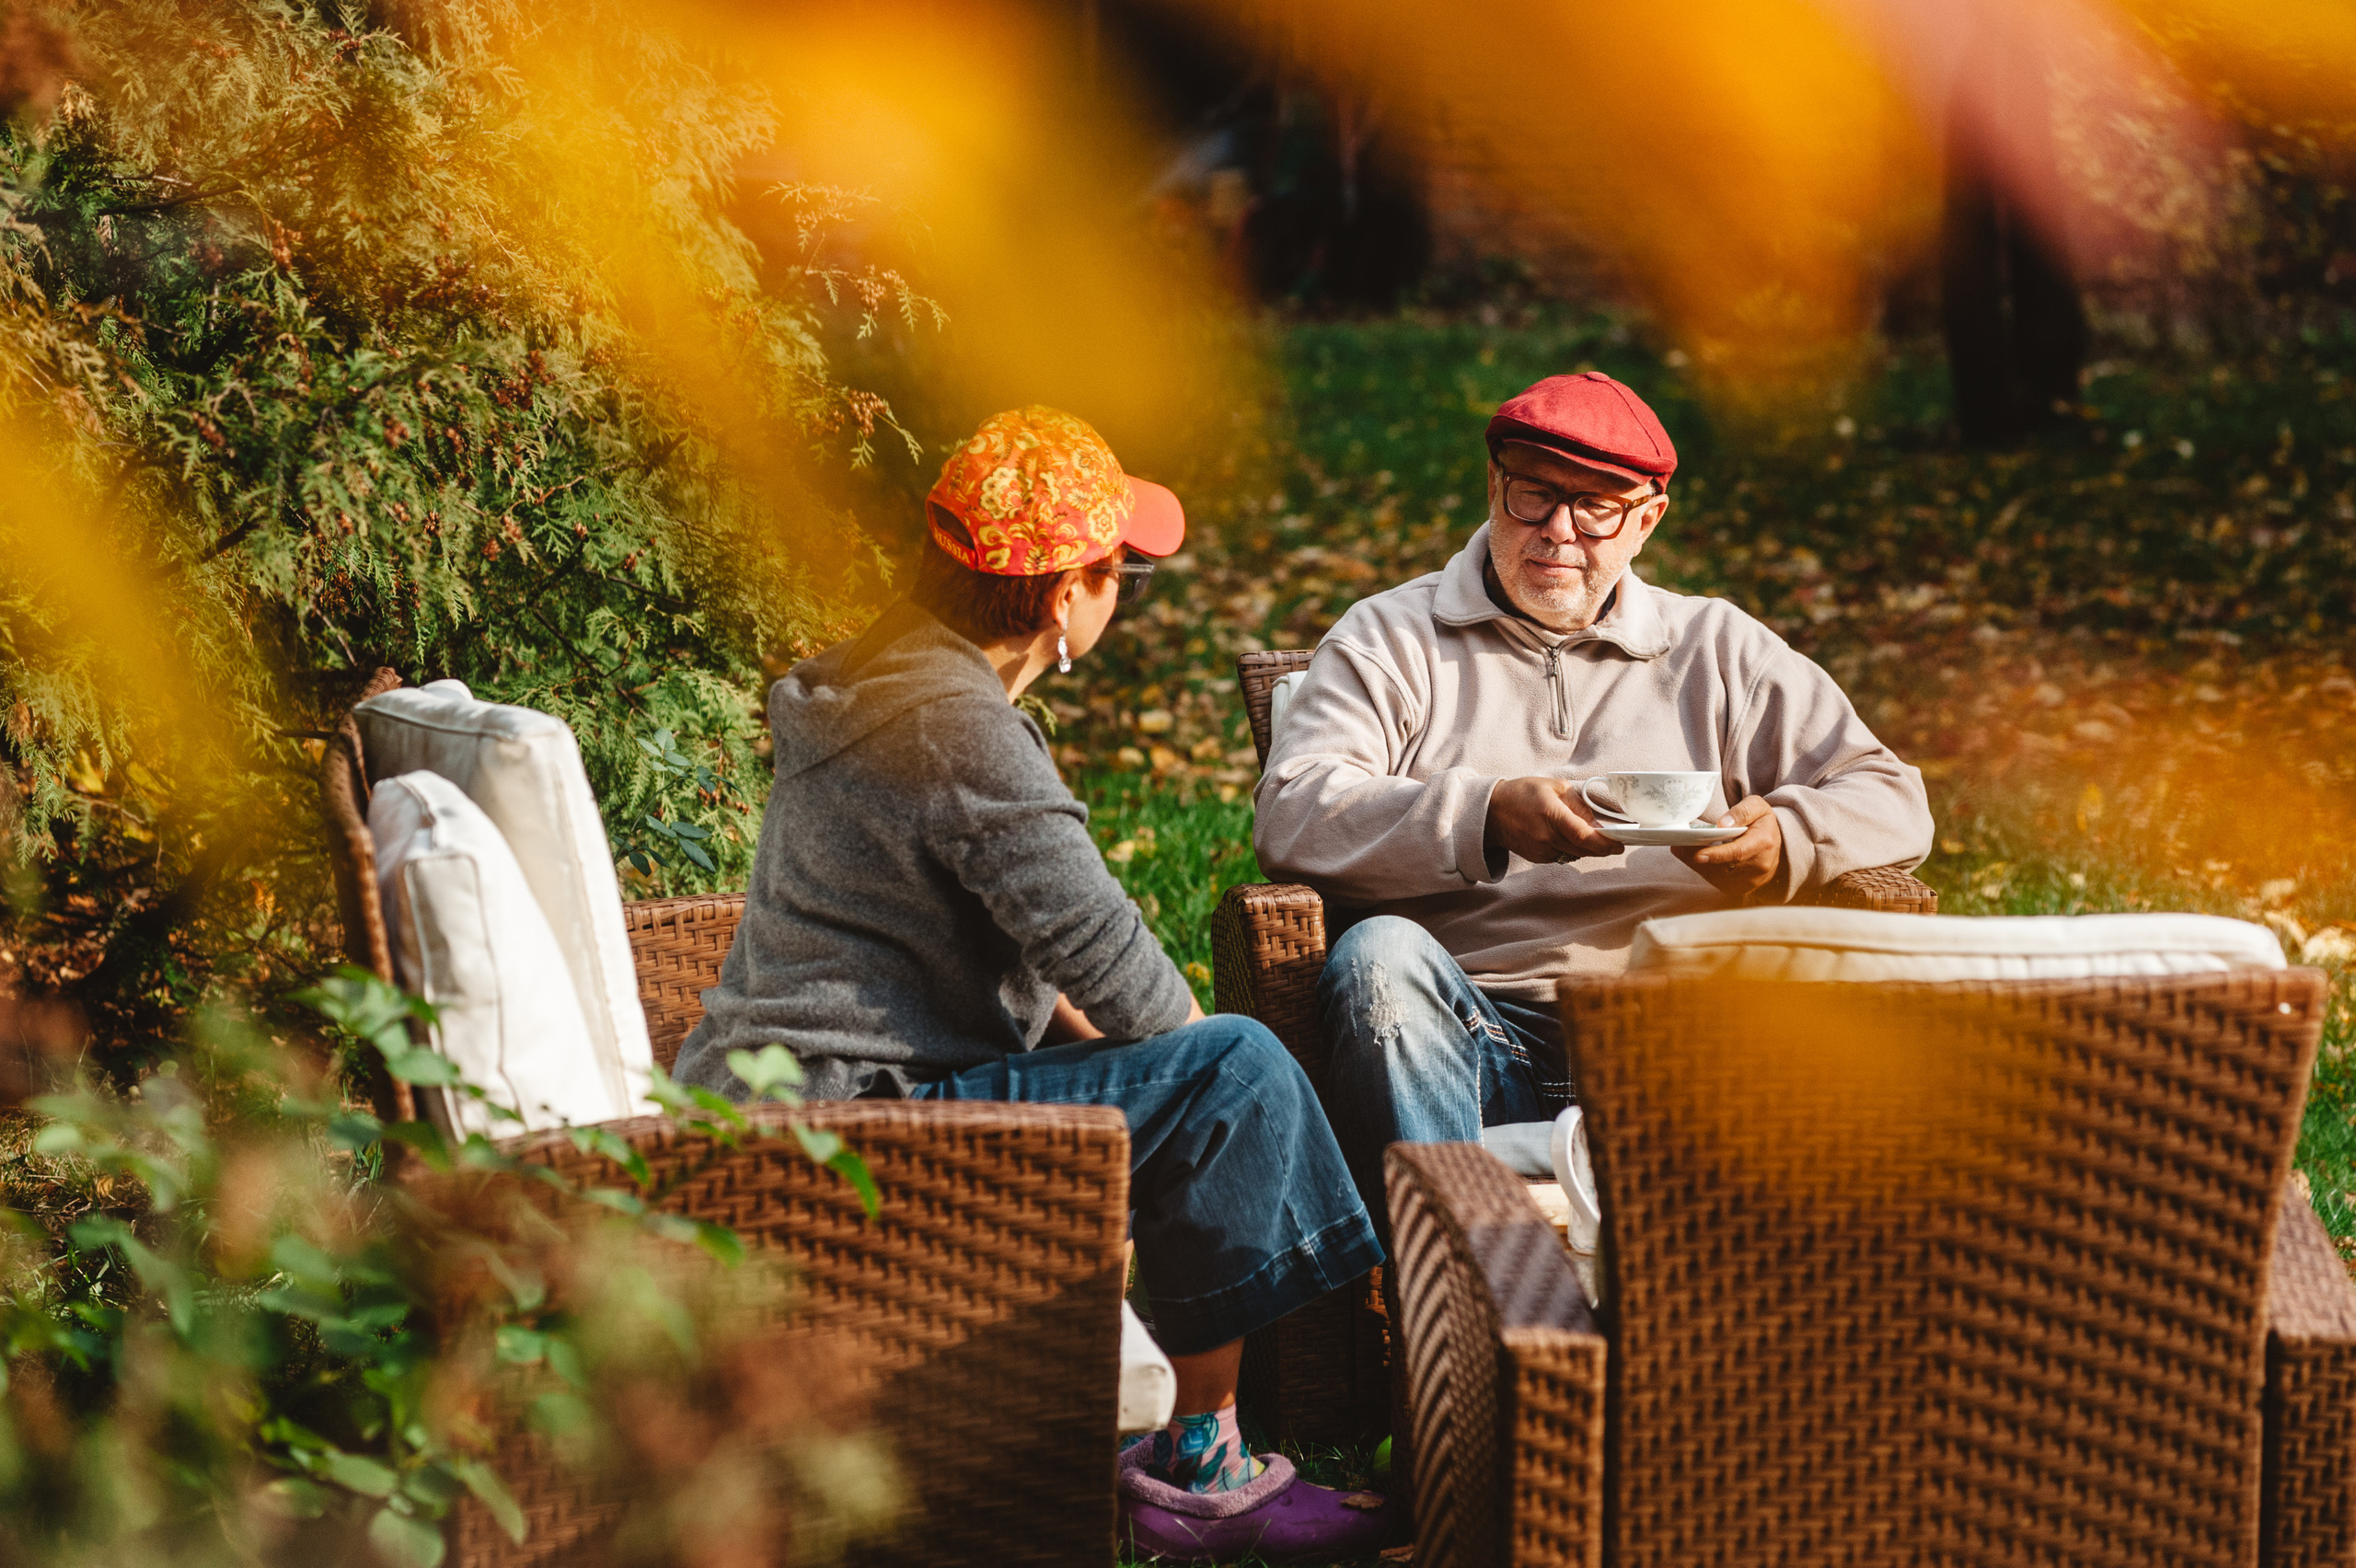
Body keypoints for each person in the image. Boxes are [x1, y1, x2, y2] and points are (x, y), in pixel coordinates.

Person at [675, 407, 1391, 1564]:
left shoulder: (886, 673)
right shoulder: (959, 726)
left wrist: (1107, 1044)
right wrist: (1217, 1066)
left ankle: (1219, 1400)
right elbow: (1105, 950)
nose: (1123, 594)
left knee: (1209, 1072)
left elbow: (1009, 948)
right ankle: (1202, 1470)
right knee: (1239, 1066)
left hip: (794, 1096)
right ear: (1065, 598)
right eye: (1124, 576)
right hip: (843, 1131)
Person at [1253, 371, 1935, 1229]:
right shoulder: (1391, 637)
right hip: (1461, 1031)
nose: (1557, 532)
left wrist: (1788, 837)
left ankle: (1745, 1296)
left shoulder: (1718, 648)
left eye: (1596, 508)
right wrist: (1487, 813)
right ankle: (1458, 1269)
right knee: (1380, 955)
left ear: (1647, 519)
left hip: (1673, 1036)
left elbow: (1893, 796)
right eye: (1533, 495)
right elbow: (1294, 810)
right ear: (1493, 486)